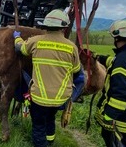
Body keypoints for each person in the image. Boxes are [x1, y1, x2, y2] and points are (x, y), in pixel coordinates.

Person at [13, 9, 83, 147]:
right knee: (50, 118)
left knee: (38, 126)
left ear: (45, 26)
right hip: (60, 98)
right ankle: (50, 141)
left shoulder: (36, 41)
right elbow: (76, 71)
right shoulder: (71, 47)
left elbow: (19, 49)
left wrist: (17, 37)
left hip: (39, 97)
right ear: (64, 27)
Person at [94, 19, 126, 147]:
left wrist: (109, 117)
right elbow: (113, 63)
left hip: (122, 117)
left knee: (117, 142)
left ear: (118, 38)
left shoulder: (124, 59)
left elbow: (121, 94)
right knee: (125, 141)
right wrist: (98, 58)